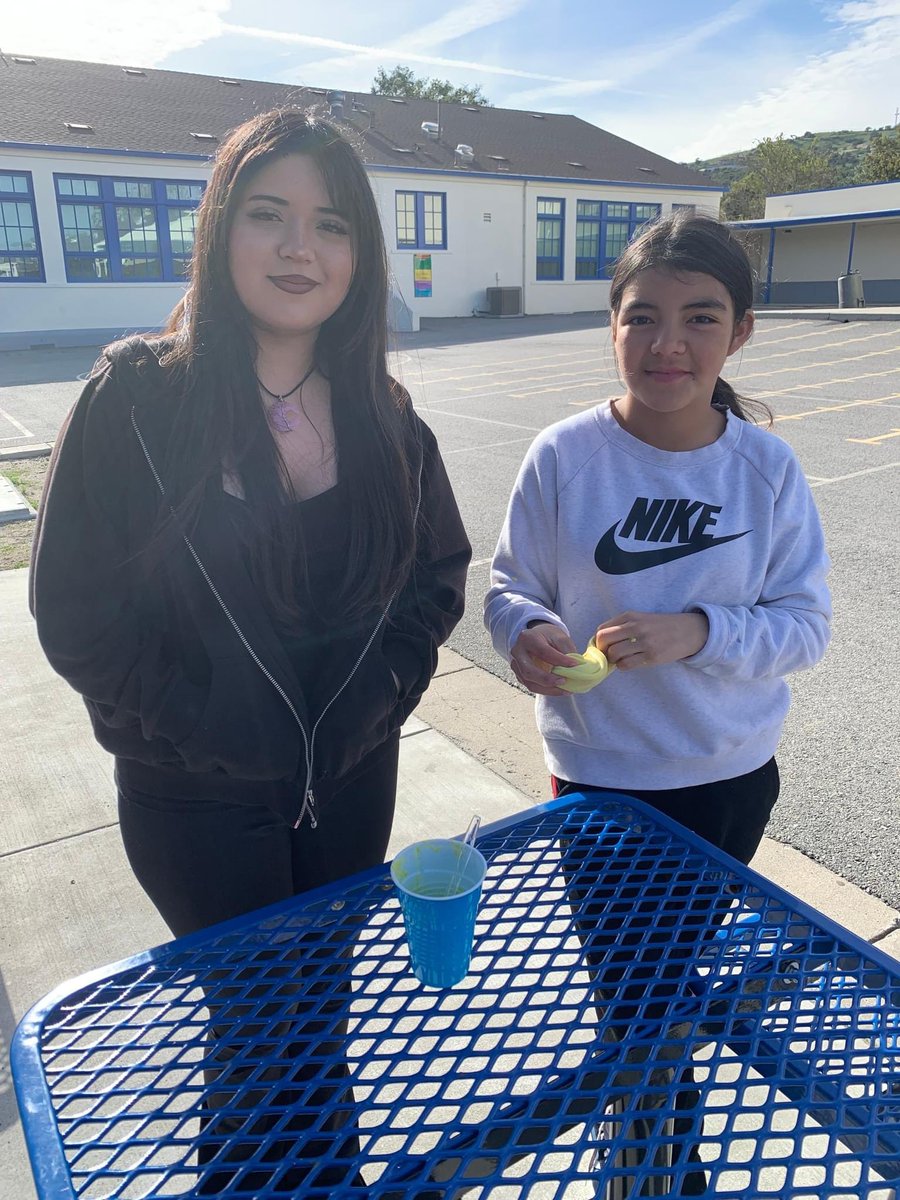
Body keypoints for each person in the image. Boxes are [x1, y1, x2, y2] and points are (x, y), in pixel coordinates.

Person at [30, 107, 470, 1190]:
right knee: (262, 1032)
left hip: (354, 783)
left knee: (318, 1024)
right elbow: (77, 612)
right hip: (195, 796)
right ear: (221, 229)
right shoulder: (139, 396)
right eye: (267, 214)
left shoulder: (385, 413)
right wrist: (208, 725)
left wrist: (375, 709)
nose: (296, 248)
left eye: (328, 224)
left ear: (358, 255)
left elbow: (436, 578)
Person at [484, 210, 831, 1194]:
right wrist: (526, 636)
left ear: (742, 333)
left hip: (726, 785)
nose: (667, 343)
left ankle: (648, 1165)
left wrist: (699, 632)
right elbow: (509, 586)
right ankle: (658, 1170)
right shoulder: (562, 455)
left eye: (700, 318)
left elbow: (806, 628)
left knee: (659, 994)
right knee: (639, 1000)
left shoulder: (765, 468)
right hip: (597, 788)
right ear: (611, 327)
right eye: (642, 318)